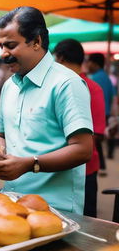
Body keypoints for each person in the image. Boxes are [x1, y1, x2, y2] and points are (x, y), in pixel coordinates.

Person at [0, 7, 93, 215]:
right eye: (1, 46)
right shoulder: (10, 85)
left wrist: (30, 164)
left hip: (56, 210)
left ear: (36, 42)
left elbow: (83, 149)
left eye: (10, 45)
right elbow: (0, 134)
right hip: (12, 201)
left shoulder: (66, 84)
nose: (3, 54)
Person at [53, 39, 106, 217]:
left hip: (85, 170)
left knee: (85, 222)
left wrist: (72, 147)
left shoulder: (92, 88)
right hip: (55, 168)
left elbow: (97, 135)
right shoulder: (56, 87)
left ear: (59, 58)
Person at [85, 53, 117, 174]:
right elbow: (113, 96)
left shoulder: (93, 78)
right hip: (106, 113)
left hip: (96, 114)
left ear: (94, 63)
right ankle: (101, 165)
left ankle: (99, 166)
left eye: (89, 62)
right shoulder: (107, 78)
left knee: (94, 141)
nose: (87, 65)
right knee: (98, 141)